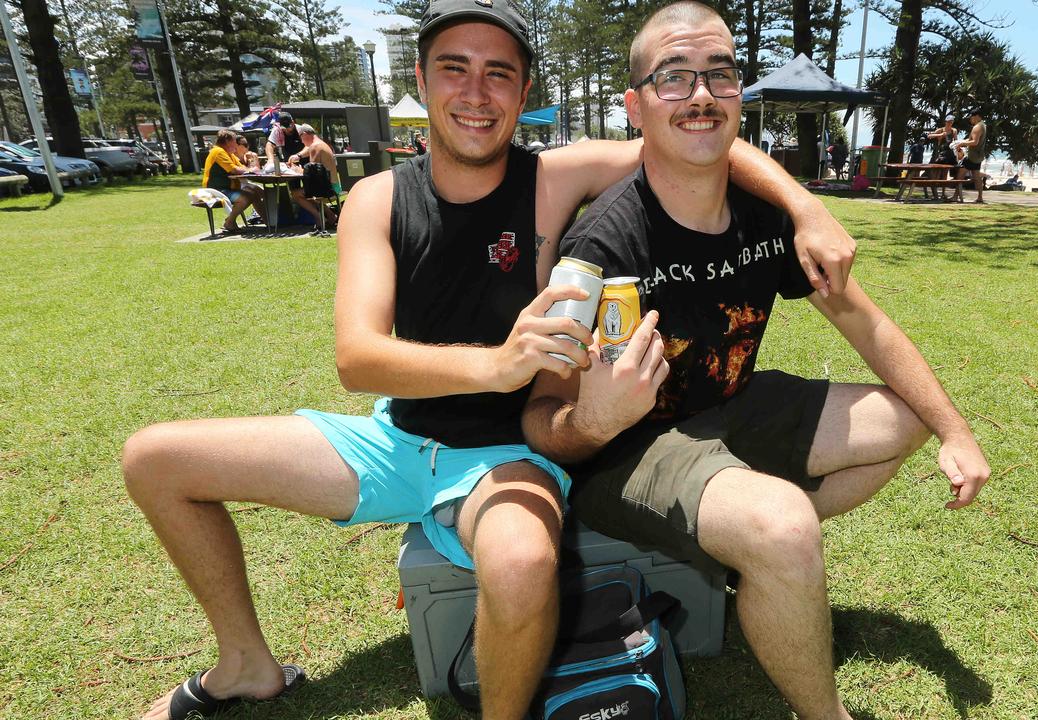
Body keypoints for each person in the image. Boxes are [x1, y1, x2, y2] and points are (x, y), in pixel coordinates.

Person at [121, 0, 862, 717]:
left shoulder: (553, 179)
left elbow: (701, 134)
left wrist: (807, 207)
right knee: (155, 458)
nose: (476, 93)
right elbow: (358, 357)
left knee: (521, 562)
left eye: (498, 73)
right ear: (420, 79)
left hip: (508, 456)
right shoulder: (376, 199)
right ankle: (246, 665)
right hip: (393, 442)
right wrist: (496, 364)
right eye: (455, 69)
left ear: (523, 91)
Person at [521, 4, 991, 718]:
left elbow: (864, 322)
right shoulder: (601, 249)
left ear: (740, 94)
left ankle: (761, 564)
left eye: (720, 74)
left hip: (730, 410)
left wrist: (955, 431)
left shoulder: (766, 215)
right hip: (626, 449)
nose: (701, 94)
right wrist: (594, 420)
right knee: (783, 527)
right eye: (673, 78)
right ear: (636, 106)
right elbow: (541, 418)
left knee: (903, 419)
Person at [201, 129, 265, 234]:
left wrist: (250, 168)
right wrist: (251, 170)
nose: (236, 144)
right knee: (245, 197)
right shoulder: (218, 151)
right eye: (235, 141)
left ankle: (269, 221)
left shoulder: (229, 154)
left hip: (227, 188)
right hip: (216, 190)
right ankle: (229, 222)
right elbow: (234, 170)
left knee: (254, 192)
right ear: (227, 141)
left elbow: (241, 167)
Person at [286, 123, 341, 228]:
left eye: (301, 138)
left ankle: (320, 218)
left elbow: (311, 175)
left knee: (295, 194)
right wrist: (298, 156)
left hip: (329, 189)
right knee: (310, 191)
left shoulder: (315, 147)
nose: (302, 141)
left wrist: (296, 169)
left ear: (305, 134)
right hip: (335, 186)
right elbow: (308, 150)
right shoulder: (320, 143)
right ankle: (330, 215)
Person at [955, 109, 987, 203]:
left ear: (976, 116)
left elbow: (974, 142)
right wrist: (964, 141)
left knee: (960, 175)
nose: (970, 119)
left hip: (971, 156)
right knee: (977, 177)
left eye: (971, 117)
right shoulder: (983, 125)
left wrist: (961, 144)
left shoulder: (977, 127)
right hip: (978, 156)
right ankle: (980, 197)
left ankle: (955, 196)